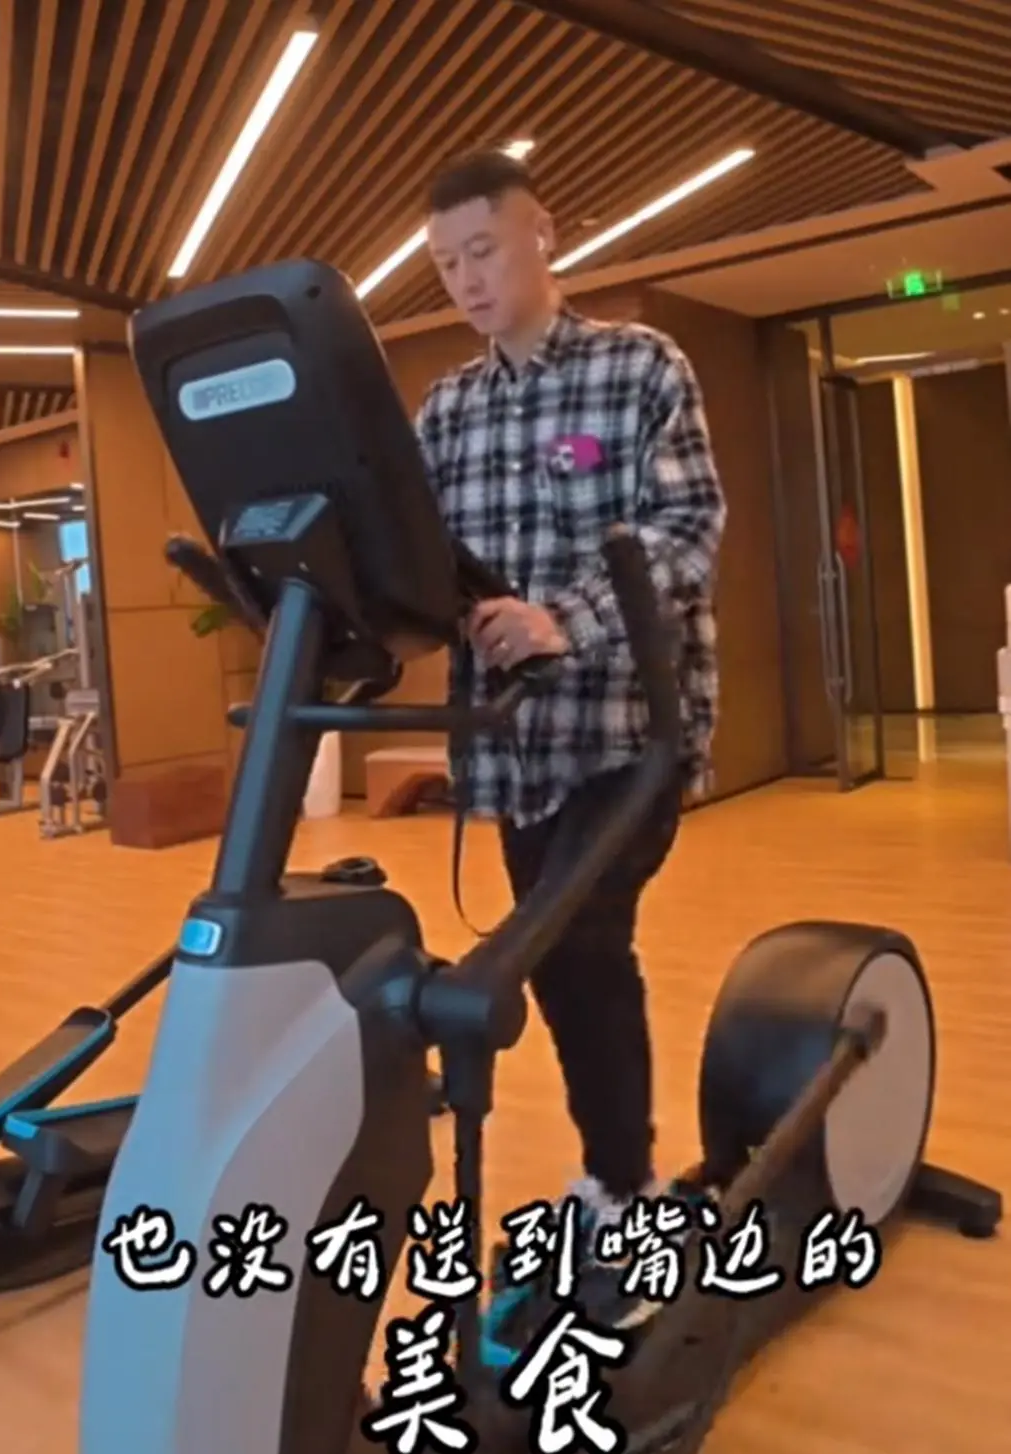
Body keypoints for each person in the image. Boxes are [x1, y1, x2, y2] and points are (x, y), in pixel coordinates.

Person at [414, 148, 727, 1328]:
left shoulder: (638, 366)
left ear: (540, 234)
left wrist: (565, 621)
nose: (465, 280)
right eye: (446, 264)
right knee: (556, 960)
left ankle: (623, 1191)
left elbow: (686, 531)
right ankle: (616, 1178)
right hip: (513, 752)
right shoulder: (445, 409)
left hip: (629, 732)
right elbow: (418, 559)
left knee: (579, 943)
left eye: (481, 251)